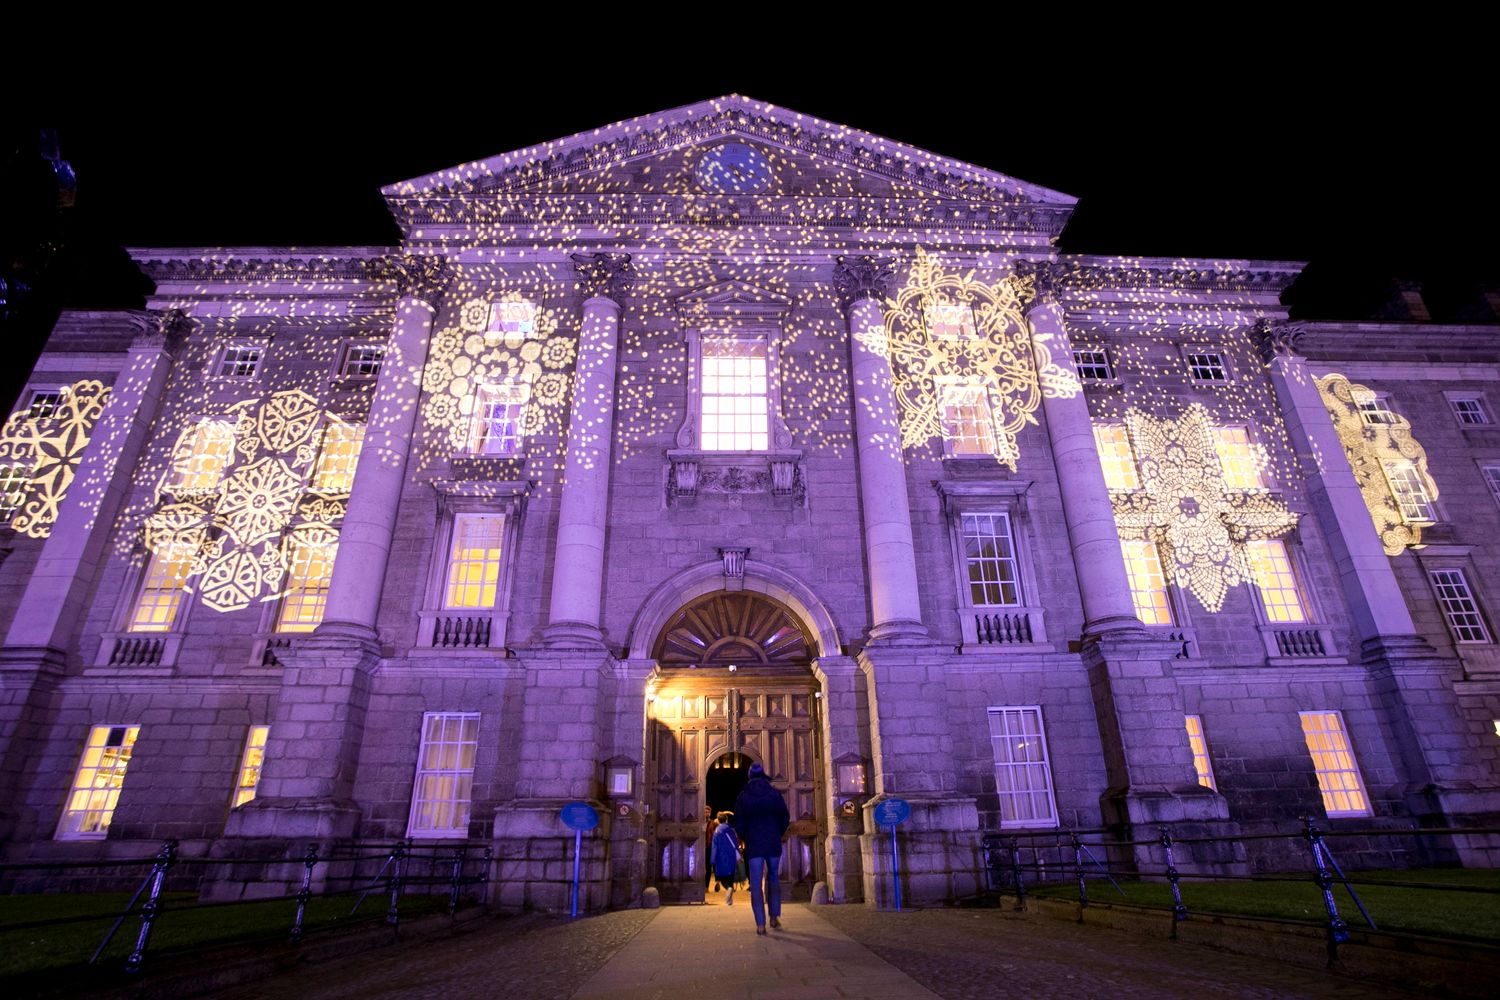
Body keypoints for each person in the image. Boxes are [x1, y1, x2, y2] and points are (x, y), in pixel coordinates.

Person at [731, 762, 790, 934]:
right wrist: (777, 832)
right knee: (773, 879)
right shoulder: (774, 794)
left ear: (750, 777)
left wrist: (746, 836)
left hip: (755, 844)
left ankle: (760, 924)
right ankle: (774, 916)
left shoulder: (744, 796)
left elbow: (739, 822)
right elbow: (784, 816)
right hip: (772, 842)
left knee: (756, 883)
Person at [710, 810, 741, 905]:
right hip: (731, 855)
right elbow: (736, 843)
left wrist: (712, 859)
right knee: (730, 875)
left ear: (718, 821)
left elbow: (714, 846)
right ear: (726, 820)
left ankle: (728, 888)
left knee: (721, 876)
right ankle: (730, 900)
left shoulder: (717, 831)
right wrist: (738, 854)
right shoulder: (732, 830)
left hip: (720, 856)